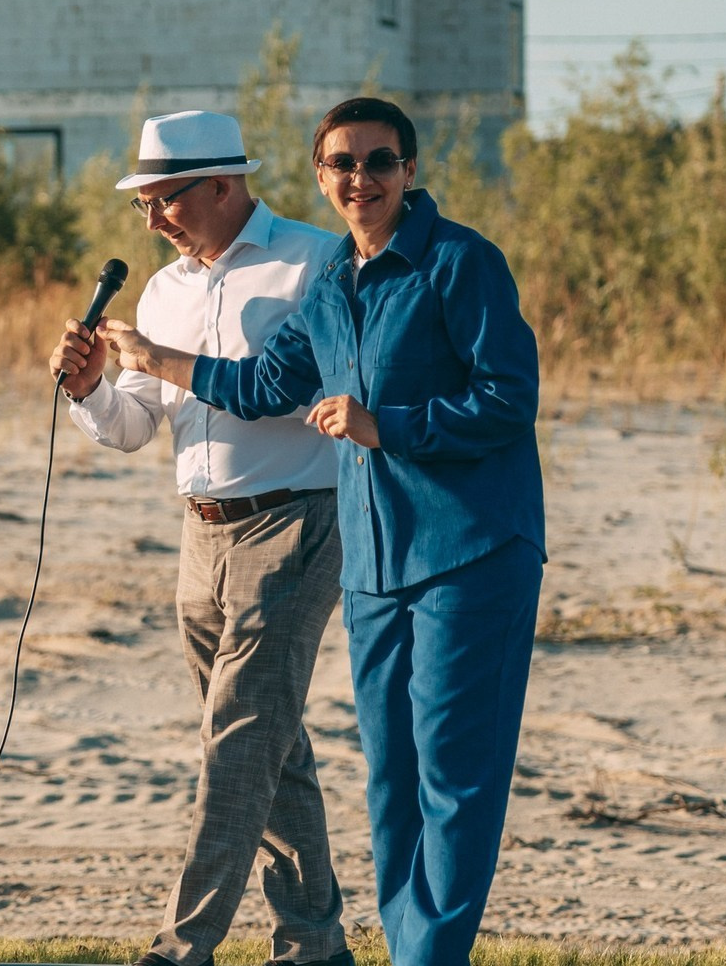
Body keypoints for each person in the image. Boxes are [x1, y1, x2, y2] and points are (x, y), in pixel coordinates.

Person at [102, 97, 546, 966]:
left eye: (380, 162)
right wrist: (142, 363)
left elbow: (509, 399)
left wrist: (392, 426)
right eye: (343, 164)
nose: (360, 179)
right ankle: (352, 946)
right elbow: (264, 384)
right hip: (375, 560)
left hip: (470, 551)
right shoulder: (333, 281)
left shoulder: (461, 262)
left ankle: (420, 956)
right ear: (320, 175)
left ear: (409, 171)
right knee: (390, 783)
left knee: (455, 780)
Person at [49, 110, 354, 966]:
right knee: (270, 746)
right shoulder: (161, 292)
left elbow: (292, 389)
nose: (151, 219)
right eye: (143, 204)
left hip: (296, 519)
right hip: (200, 535)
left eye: (162, 200)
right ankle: (316, 947)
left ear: (222, 185)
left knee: (237, 743)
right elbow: (134, 428)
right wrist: (90, 390)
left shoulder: (314, 262)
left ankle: (182, 949)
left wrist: (152, 358)